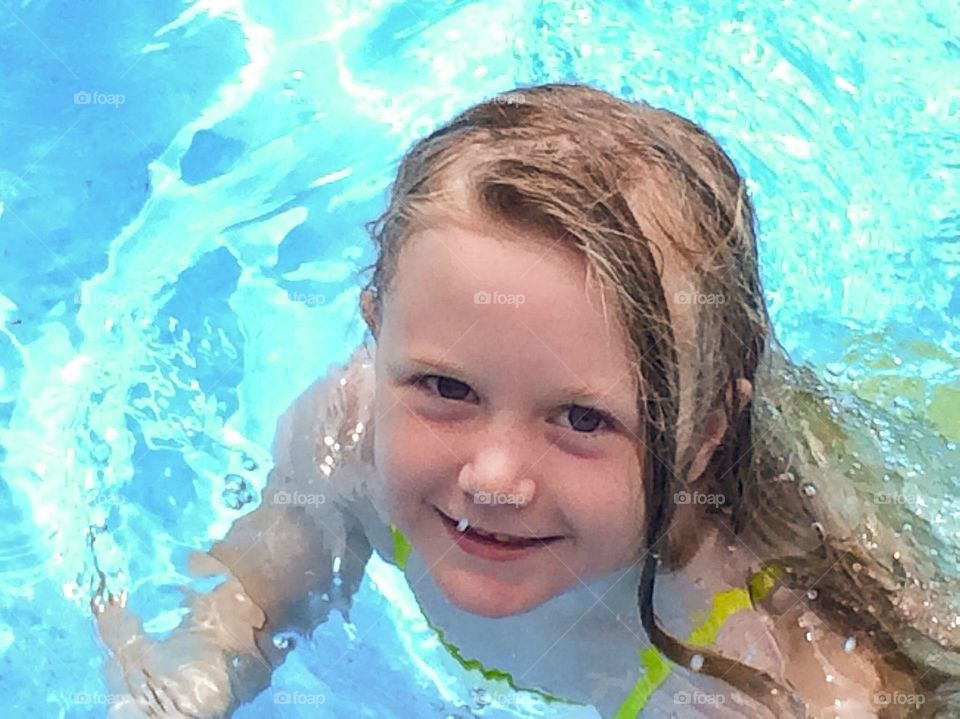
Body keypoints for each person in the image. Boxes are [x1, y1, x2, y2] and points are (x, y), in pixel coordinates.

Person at [91, 82, 960, 718]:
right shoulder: (351, 431)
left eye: (582, 419)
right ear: (375, 337)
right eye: (446, 387)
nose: (495, 477)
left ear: (700, 441)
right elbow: (255, 586)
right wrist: (193, 681)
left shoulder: (773, 676)